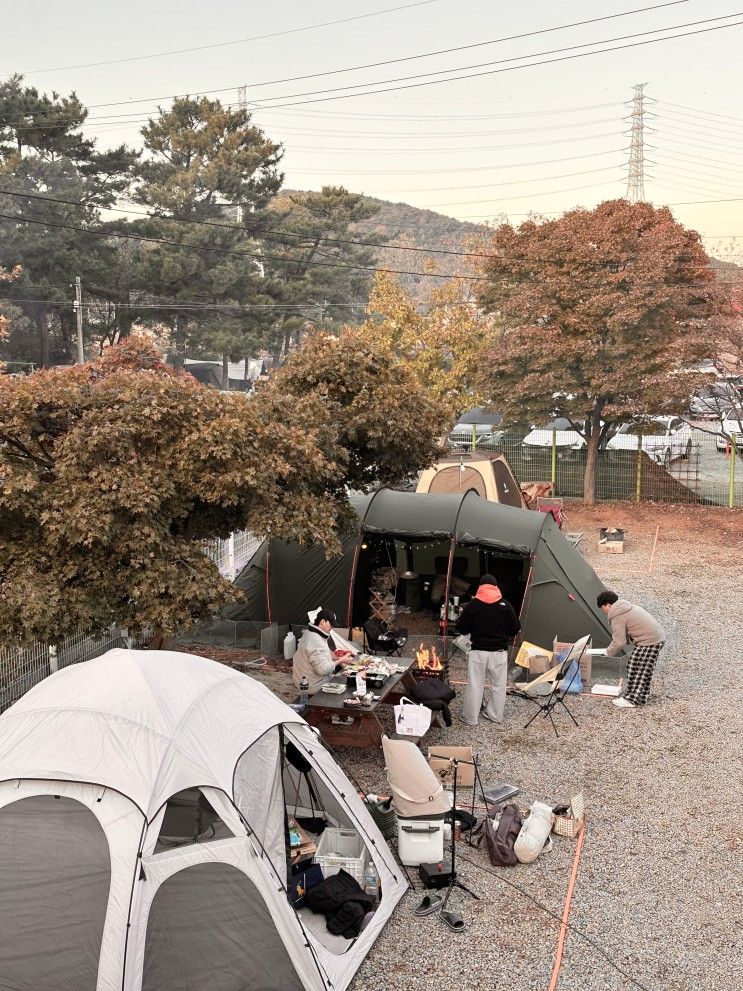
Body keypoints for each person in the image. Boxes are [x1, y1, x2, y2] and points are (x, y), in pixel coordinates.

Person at [456, 574, 521, 726]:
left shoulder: (473, 605)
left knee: (475, 684)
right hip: (499, 653)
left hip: (478, 652)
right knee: (499, 686)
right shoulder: (506, 605)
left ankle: (470, 718)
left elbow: (462, 628)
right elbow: (515, 628)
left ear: (480, 588)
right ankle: (495, 715)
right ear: (495, 587)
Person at [597, 590, 666, 708]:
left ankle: (632, 700)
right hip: (655, 638)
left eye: (603, 607)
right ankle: (642, 697)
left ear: (608, 604)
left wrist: (607, 653)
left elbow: (619, 642)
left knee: (639, 668)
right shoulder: (625, 607)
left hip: (650, 641)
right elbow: (628, 634)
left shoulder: (616, 615)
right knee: (636, 665)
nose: (604, 611)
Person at [292, 609, 349, 696]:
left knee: (342, 678)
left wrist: (338, 656)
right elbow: (323, 670)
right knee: (346, 686)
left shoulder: (310, 633)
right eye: (331, 624)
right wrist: (341, 661)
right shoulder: (315, 640)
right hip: (312, 684)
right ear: (322, 622)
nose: (332, 627)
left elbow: (320, 654)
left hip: (304, 679)